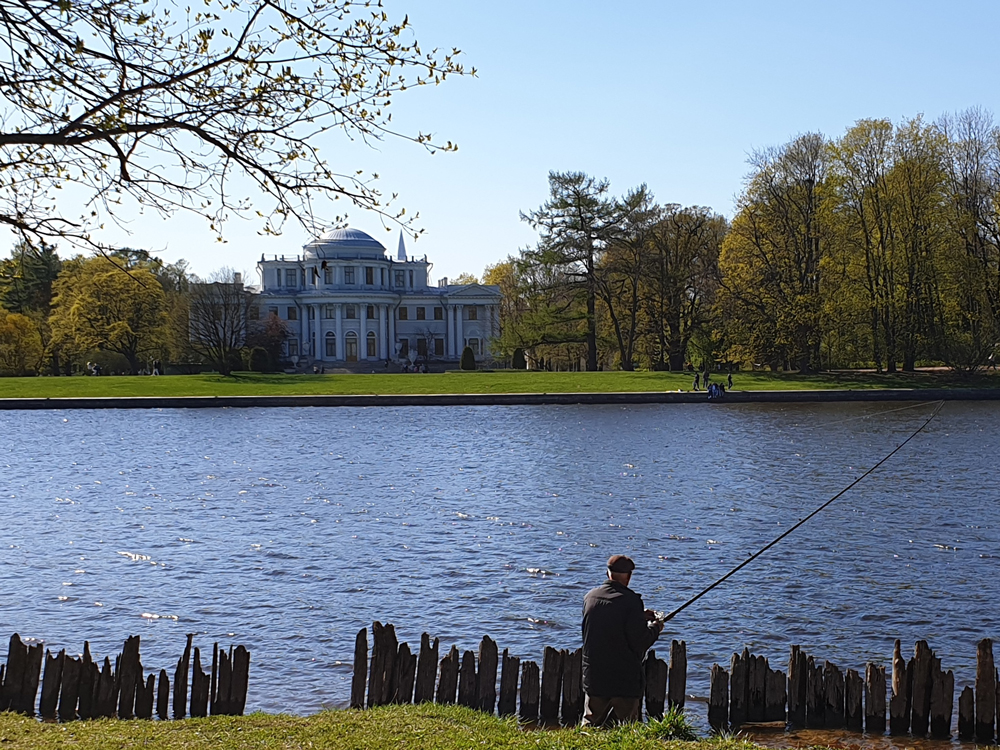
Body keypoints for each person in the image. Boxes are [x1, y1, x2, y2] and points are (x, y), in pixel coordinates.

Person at [581, 555, 663, 726]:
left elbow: (608, 620)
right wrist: (656, 627)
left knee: (590, 722)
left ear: (607, 573)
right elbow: (641, 641)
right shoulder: (632, 601)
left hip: (595, 676)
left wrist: (639, 616)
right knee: (627, 725)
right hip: (623, 679)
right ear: (629, 576)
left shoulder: (590, 597)